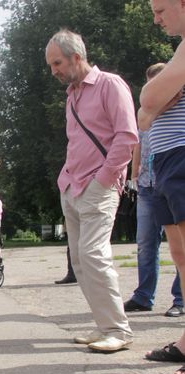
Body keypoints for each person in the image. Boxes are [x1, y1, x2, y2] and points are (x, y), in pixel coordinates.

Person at [45, 29, 137, 353]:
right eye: (51, 65)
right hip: (71, 185)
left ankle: (118, 330)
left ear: (77, 57)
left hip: (98, 186)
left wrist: (103, 179)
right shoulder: (72, 95)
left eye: (57, 63)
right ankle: (104, 326)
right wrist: (66, 180)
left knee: (94, 255)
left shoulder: (110, 85)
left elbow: (127, 137)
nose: (53, 70)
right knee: (81, 261)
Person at [138, 0, 185, 374]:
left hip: (183, 155)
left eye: (160, 9)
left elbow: (149, 101)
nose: (155, 19)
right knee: (180, 253)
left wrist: (154, 101)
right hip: (168, 162)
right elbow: (144, 114)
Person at [124, 63, 183, 316]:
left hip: (176, 165)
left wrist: (155, 109)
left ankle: (180, 301)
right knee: (151, 244)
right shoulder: (152, 106)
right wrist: (133, 175)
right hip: (151, 182)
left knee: (182, 245)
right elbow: (141, 125)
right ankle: (144, 296)